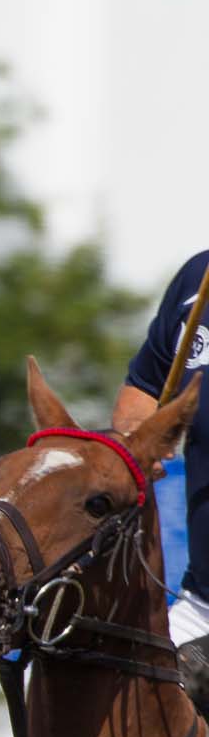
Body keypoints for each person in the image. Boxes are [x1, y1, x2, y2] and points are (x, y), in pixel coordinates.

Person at [114, 250, 209, 713]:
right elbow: (144, 389)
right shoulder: (199, 280)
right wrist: (144, 440)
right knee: (126, 719)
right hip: (202, 604)